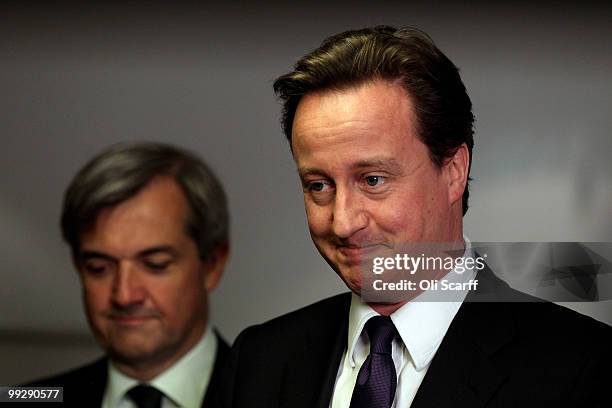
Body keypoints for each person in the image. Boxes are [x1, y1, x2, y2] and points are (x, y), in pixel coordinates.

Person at [223, 26, 611, 407]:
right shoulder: (260, 360)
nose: (342, 222)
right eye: (319, 186)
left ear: (454, 171)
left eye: (373, 180)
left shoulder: (584, 368)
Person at [30, 142, 230, 408]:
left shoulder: (281, 395)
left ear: (212, 265)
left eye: (155, 265)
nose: (124, 296)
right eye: (99, 268)